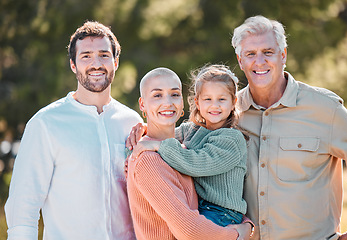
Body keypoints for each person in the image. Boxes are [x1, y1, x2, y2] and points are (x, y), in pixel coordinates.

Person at [231, 15, 347, 239]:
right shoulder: (230, 114)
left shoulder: (324, 108)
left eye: (268, 52)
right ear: (240, 60)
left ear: (283, 55)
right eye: (250, 54)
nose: (259, 62)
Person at [5, 21, 142, 239]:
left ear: (115, 62)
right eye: (86, 56)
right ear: (73, 65)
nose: (96, 63)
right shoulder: (46, 124)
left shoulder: (132, 122)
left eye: (104, 55)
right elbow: (23, 207)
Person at [126, 67, 252, 239]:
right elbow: (192, 231)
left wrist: (244, 226)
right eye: (157, 95)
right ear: (197, 103)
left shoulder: (230, 138)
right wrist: (239, 234)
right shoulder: (154, 157)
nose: (168, 102)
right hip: (208, 216)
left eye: (175, 94)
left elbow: (196, 160)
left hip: (221, 213)